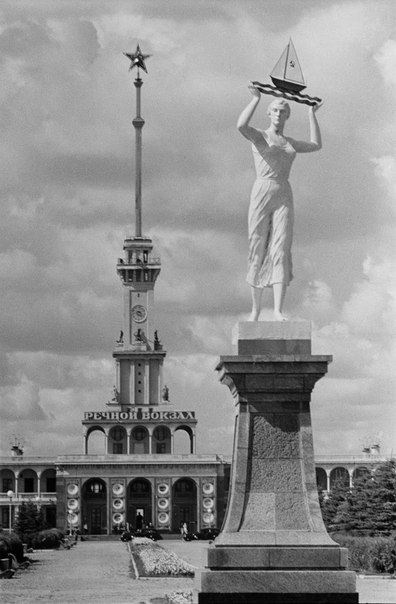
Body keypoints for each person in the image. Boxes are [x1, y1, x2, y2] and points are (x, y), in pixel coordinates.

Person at [237, 83, 323, 321]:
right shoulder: (260, 136)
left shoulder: (291, 142)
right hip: (262, 189)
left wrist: (311, 114)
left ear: (287, 116)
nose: (278, 115)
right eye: (274, 110)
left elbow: (316, 145)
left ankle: (277, 310)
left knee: (281, 250)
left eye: (282, 112)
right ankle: (255, 310)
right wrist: (255, 99)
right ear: (269, 113)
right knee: (257, 247)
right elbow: (241, 126)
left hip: (284, 191)